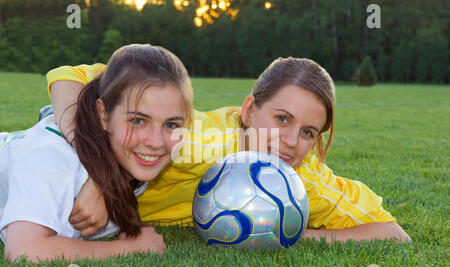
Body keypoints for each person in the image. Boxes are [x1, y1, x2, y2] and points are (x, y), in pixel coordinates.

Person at [46, 56, 411, 243]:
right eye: (282, 118)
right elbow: (71, 76)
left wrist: (292, 232)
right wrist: (98, 172)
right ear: (249, 110)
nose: (290, 141)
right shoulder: (194, 136)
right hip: (56, 147)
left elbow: (391, 233)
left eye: (308, 132)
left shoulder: (301, 181)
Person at [0, 43, 193, 262]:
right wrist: (132, 248)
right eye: (138, 120)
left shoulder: (129, 162)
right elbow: (24, 250)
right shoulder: (54, 158)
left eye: (171, 124)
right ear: (103, 115)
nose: (156, 142)